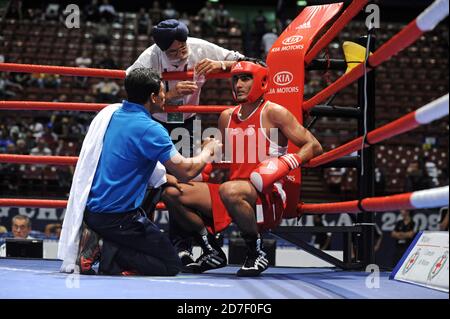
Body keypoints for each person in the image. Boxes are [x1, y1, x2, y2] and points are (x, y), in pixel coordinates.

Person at [162, 61, 323, 276]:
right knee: (172, 191)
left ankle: (255, 252)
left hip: (266, 195)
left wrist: (286, 162)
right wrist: (209, 149)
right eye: (235, 79)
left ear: (262, 81)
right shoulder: (226, 117)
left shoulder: (275, 113)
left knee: (229, 189)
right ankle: (212, 249)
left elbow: (314, 145)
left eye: (245, 78)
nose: (238, 84)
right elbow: (226, 155)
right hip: (232, 192)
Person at [71, 68, 221, 276]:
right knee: (170, 265)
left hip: (93, 211)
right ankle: (109, 253)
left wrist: (163, 176)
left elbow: (128, 155)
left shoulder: (111, 114)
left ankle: (108, 243)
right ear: (152, 97)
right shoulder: (149, 128)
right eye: (161, 91)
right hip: (119, 218)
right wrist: (207, 150)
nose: (164, 96)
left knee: (160, 185)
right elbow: (187, 171)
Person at [126, 19, 244, 261]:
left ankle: (182, 244)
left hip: (187, 122)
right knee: (149, 182)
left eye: (183, 48)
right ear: (161, 50)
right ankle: (137, 245)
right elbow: (132, 91)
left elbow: (246, 62)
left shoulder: (199, 47)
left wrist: (221, 64)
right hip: (155, 123)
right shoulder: (150, 58)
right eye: (173, 52)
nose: (181, 54)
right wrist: (169, 95)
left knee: (181, 185)